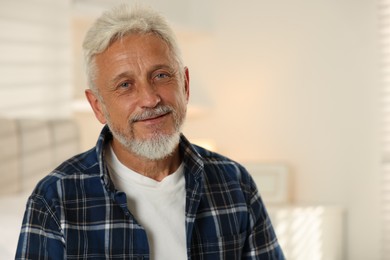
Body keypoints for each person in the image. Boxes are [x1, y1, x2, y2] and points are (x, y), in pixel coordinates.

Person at [16, 4, 284, 260]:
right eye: (125, 85)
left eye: (161, 76)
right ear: (98, 106)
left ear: (185, 85)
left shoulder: (235, 183)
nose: (150, 98)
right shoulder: (55, 199)